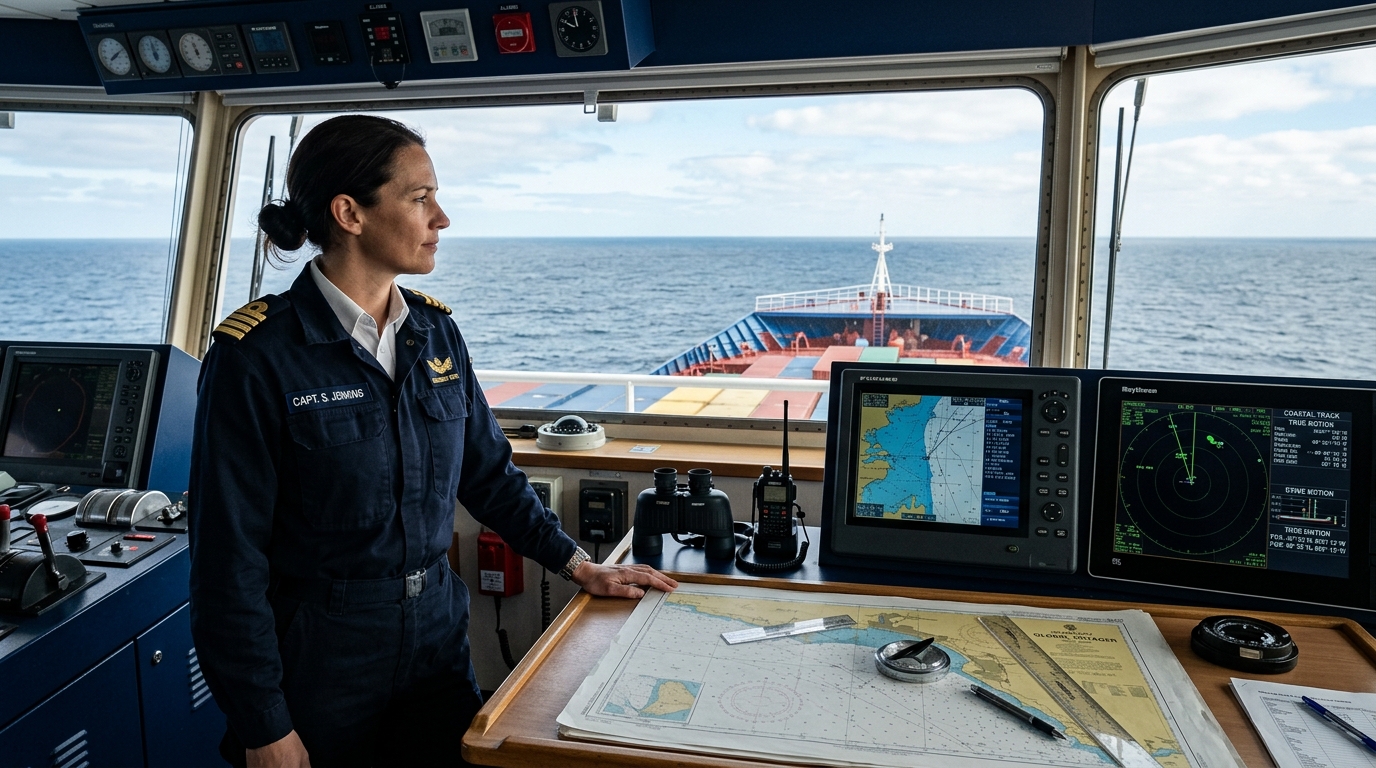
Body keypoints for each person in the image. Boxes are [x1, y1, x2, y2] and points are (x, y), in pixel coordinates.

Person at [188, 115, 677, 768]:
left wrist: (579, 565)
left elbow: (490, 476)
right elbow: (227, 563)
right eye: (421, 198)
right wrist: (263, 725)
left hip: (435, 643)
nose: (440, 218)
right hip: (321, 659)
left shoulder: (434, 334)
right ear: (349, 213)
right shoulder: (257, 357)